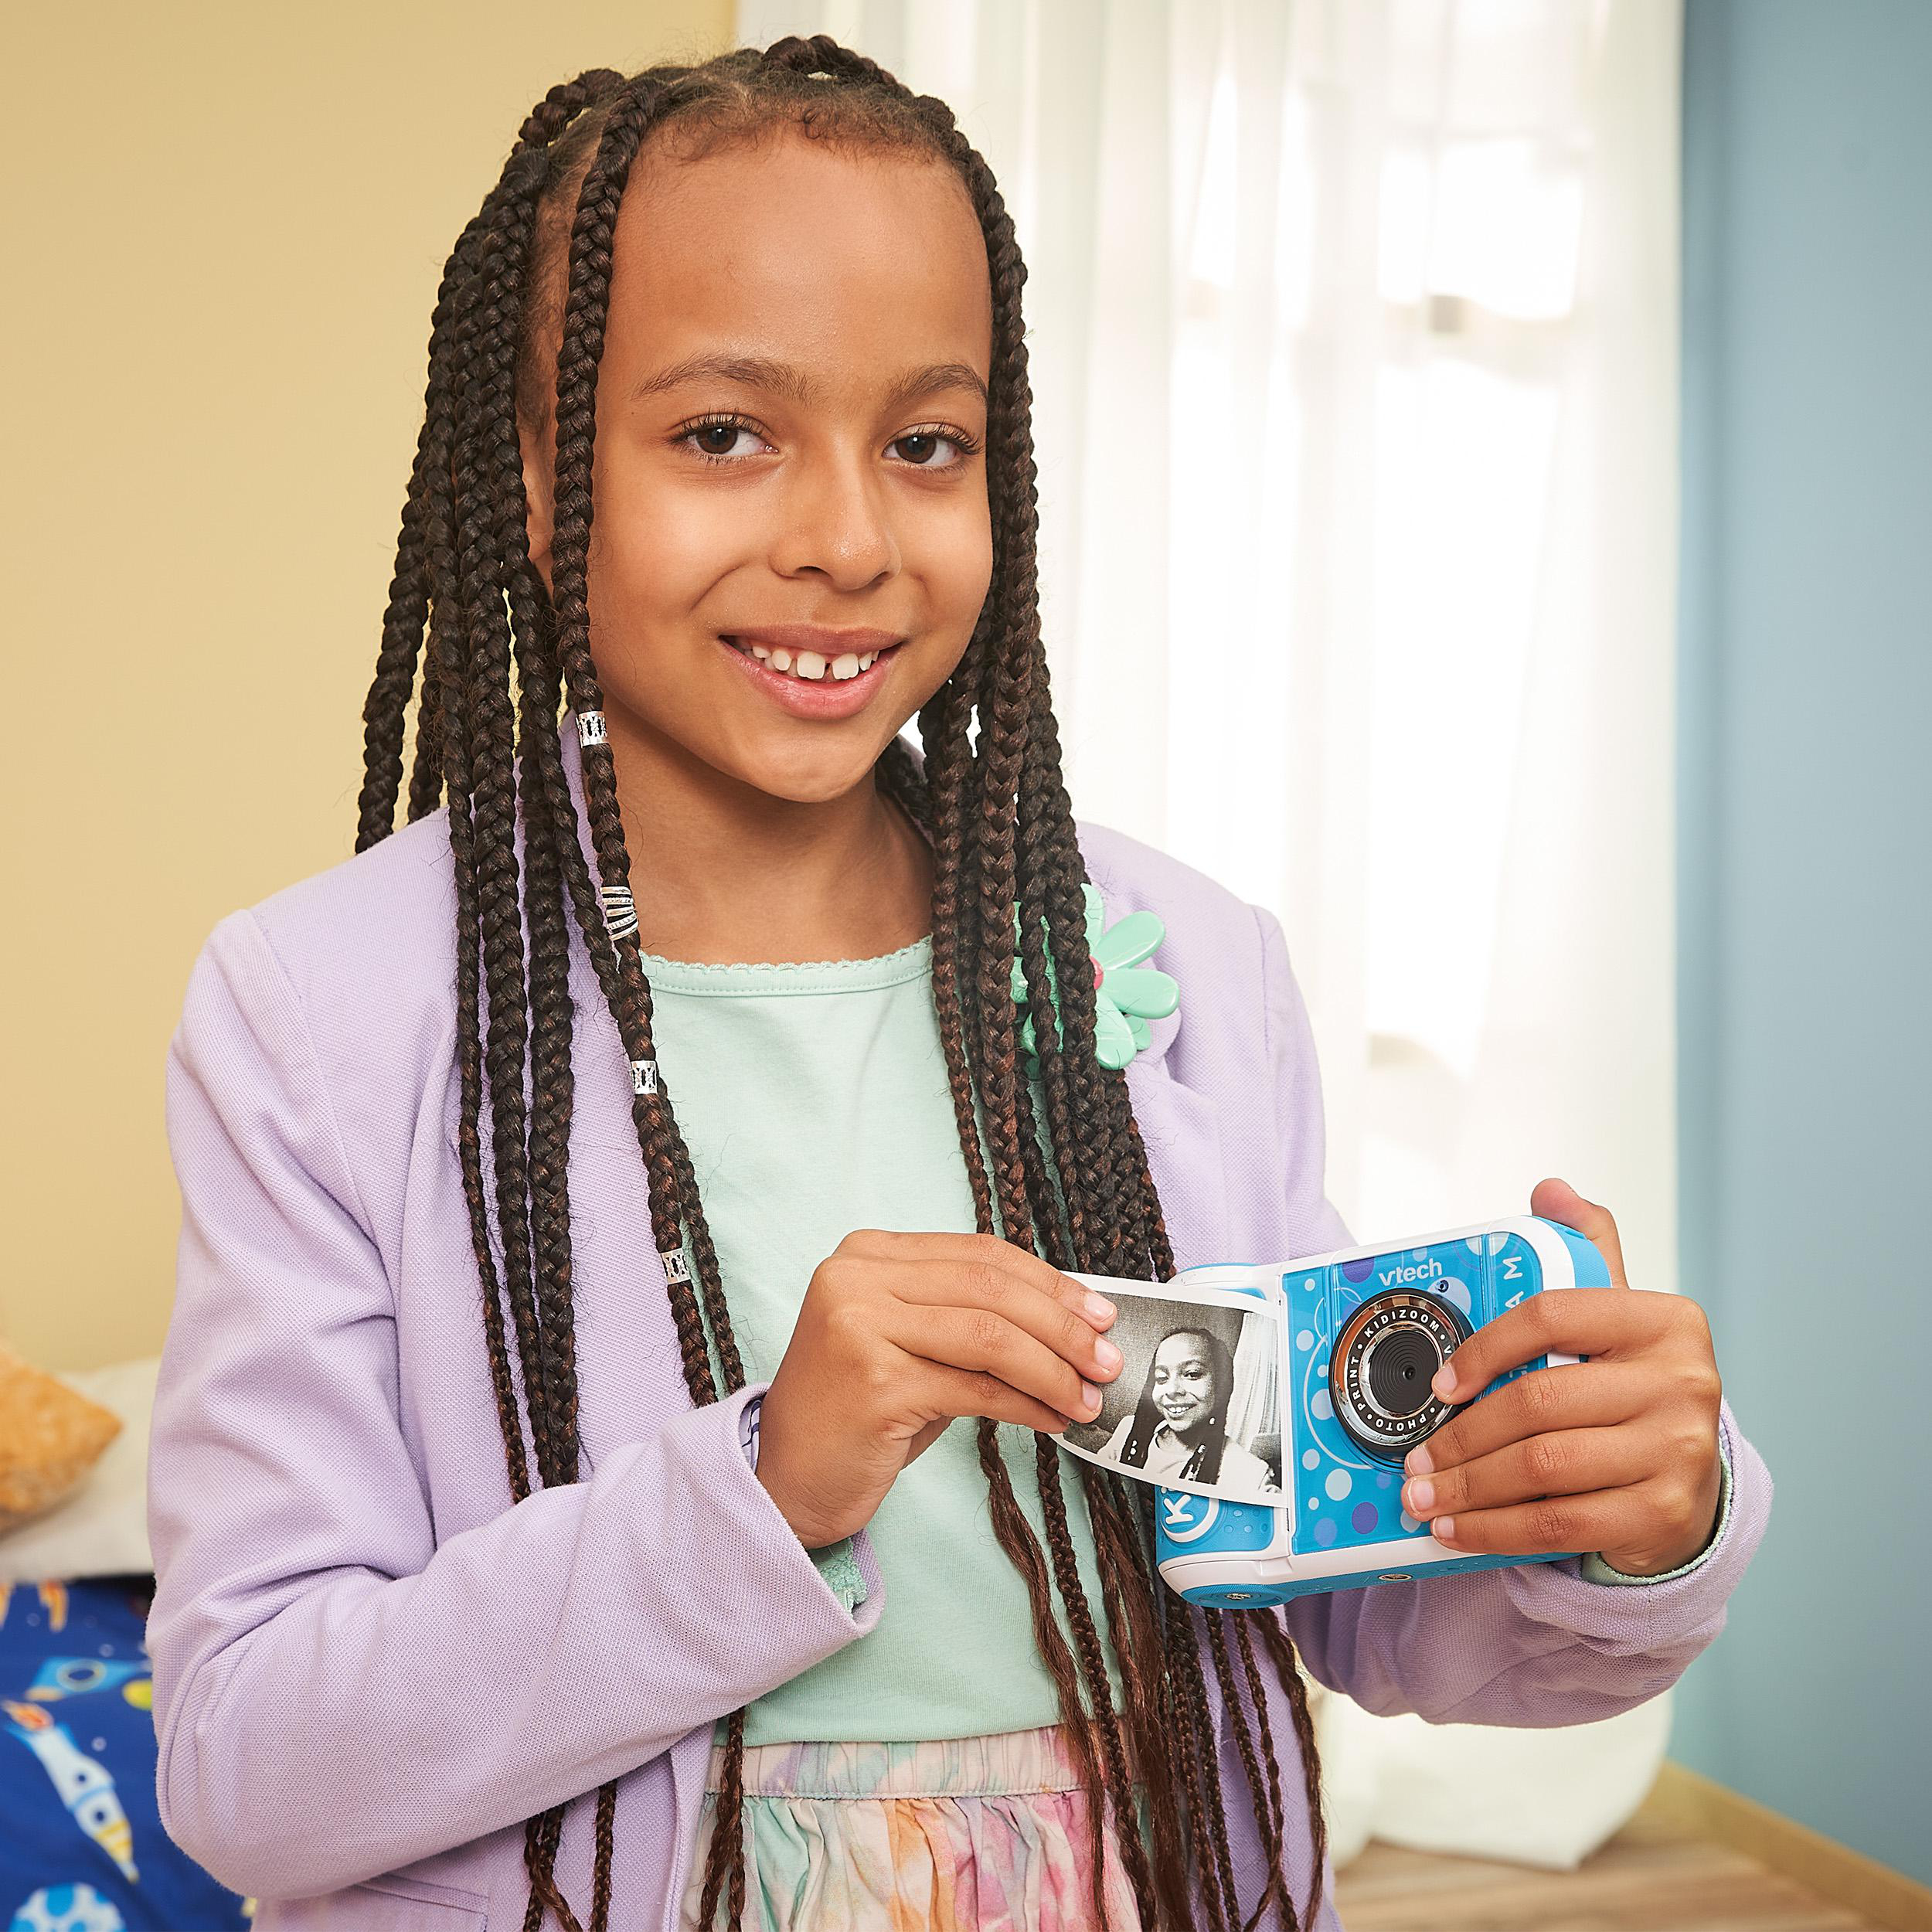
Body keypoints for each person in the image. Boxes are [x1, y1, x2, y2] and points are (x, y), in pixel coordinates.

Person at [146, 35, 1771, 1932]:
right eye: (724, 433)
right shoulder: (324, 1016)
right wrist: (763, 1488)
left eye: (927, 443)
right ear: (533, 479)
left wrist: (1615, 1519)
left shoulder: (1180, 983)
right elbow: (249, 1764)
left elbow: (1362, 1593)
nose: (846, 537)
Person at [1102, 1328, 1279, 1496]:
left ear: (1221, 1385)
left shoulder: (1250, 1474)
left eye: (1192, 1374)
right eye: (1162, 1378)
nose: (1172, 1390)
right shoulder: (1127, 1430)